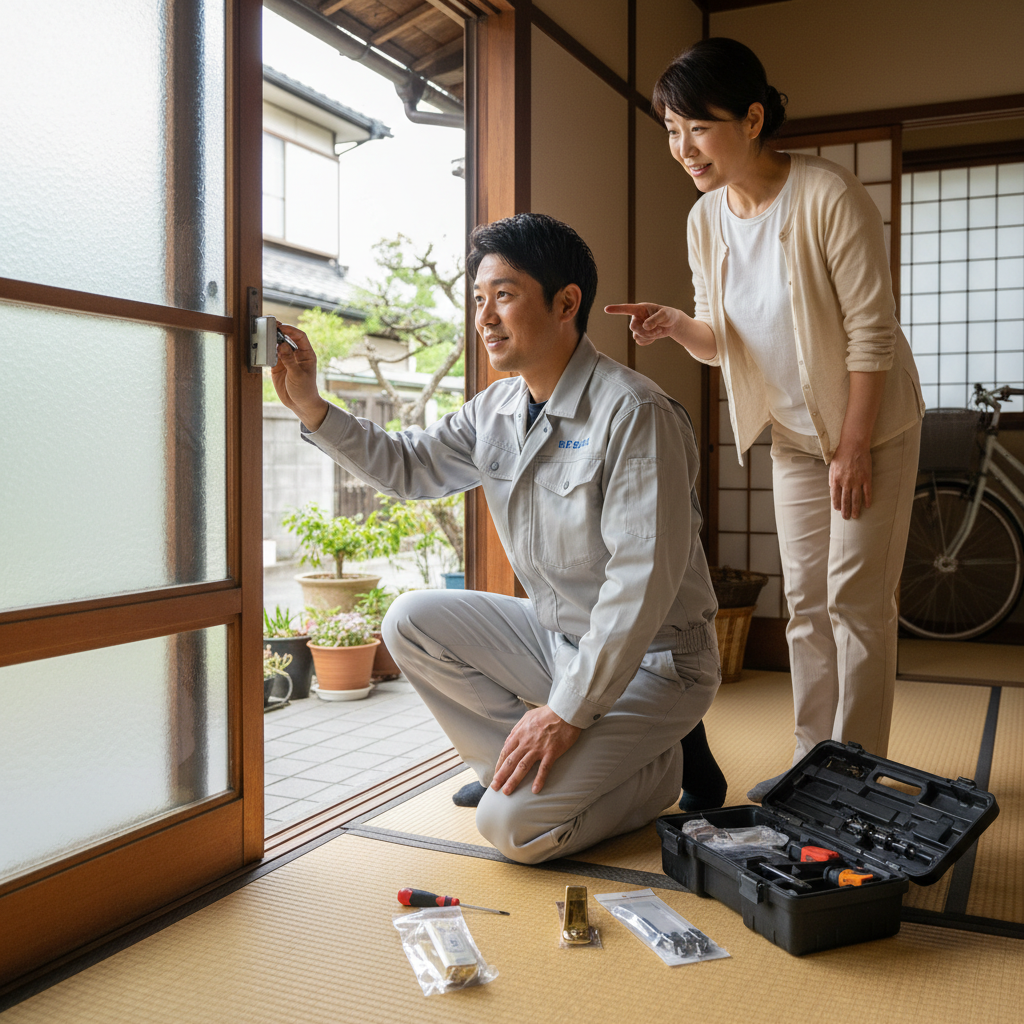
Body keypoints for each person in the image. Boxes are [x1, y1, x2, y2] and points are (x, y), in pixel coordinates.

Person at [271, 213, 724, 865]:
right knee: (410, 619)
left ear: (567, 303)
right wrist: (312, 406)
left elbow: (640, 586)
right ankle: (520, 765)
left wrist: (566, 712)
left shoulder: (636, 413)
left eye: (504, 296)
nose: (484, 317)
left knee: (512, 831)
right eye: (478, 299)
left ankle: (663, 769)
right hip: (558, 638)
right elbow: (409, 467)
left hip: (656, 659)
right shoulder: (496, 410)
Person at [608, 38, 924, 802]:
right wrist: (677, 324)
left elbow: (871, 333)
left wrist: (853, 446)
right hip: (789, 436)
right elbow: (725, 339)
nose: (684, 149)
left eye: (699, 128)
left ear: (752, 119)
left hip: (868, 429)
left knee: (855, 600)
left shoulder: (828, 195)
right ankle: (816, 761)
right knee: (806, 605)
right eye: (672, 132)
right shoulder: (705, 219)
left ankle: (862, 770)